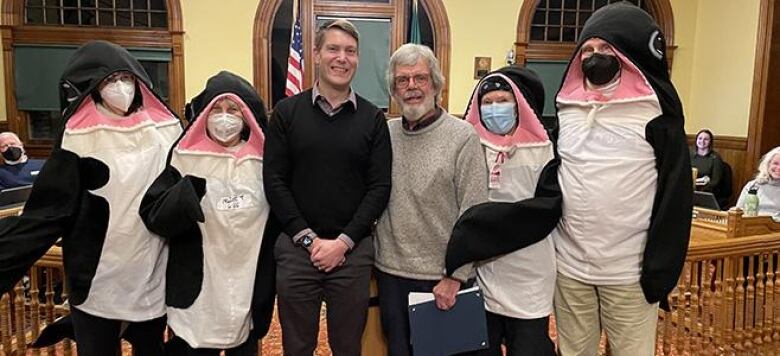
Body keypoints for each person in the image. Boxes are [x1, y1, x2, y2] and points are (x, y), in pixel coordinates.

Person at [0, 40, 182, 355]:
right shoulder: (78, 139)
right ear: (93, 87)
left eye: (127, 79)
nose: (122, 87)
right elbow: (44, 217)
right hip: (98, 278)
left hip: (153, 275)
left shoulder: (166, 132)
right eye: (111, 81)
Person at [551, 3, 692, 355]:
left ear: (628, 55)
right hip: (570, 268)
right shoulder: (566, 109)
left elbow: (676, 196)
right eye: (588, 50)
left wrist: (660, 270)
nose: (595, 57)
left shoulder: (655, 113)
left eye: (606, 50)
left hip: (629, 271)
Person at [263, 19, 391, 356]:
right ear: (317, 54)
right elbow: (274, 182)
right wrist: (308, 239)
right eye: (333, 49)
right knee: (297, 345)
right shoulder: (286, 113)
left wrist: (343, 243)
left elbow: (379, 187)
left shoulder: (374, 120)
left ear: (358, 59)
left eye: (350, 51)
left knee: (348, 346)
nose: (342, 57)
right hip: (295, 249)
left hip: (353, 253)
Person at [140, 71, 280, 355]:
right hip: (197, 289)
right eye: (216, 109)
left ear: (247, 118)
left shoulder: (264, 162)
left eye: (233, 110)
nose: (224, 117)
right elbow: (154, 215)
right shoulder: (184, 157)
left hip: (248, 285)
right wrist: (188, 193)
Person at [373, 43, 487, 356]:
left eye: (420, 78)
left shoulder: (462, 136)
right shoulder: (384, 134)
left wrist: (455, 276)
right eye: (402, 80)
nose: (411, 87)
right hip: (391, 274)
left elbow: (474, 212)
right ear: (393, 89)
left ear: (436, 83)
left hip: (442, 280)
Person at [453, 66, 558, 356]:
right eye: (487, 103)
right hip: (483, 271)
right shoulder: (470, 146)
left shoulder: (544, 149)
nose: (494, 108)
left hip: (530, 273)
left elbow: (548, 208)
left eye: (502, 101)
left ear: (518, 104)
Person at [736, 146, 780, 217]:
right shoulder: (753, 185)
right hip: (748, 225)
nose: (779, 168)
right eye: (775, 163)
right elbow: (739, 210)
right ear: (768, 164)